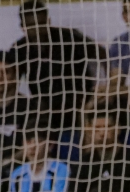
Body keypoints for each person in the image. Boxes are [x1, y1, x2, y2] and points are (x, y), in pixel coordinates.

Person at [10, 0, 102, 132]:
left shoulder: (69, 38)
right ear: (22, 26)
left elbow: (102, 54)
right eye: (31, 26)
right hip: (45, 109)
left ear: (48, 21)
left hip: (79, 104)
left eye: (41, 24)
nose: (37, 30)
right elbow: (12, 82)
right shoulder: (19, 49)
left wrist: (104, 88)